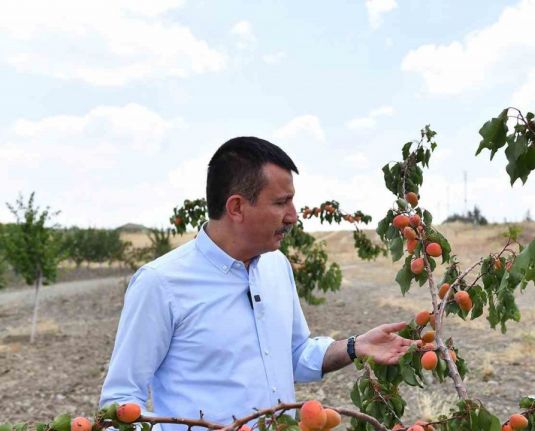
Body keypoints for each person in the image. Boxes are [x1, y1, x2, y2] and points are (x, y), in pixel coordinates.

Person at [99, 137, 413, 430]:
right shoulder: (161, 283)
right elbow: (120, 401)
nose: (293, 216)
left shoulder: (276, 266)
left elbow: (294, 354)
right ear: (236, 207)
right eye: (281, 203)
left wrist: (354, 346)